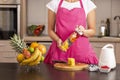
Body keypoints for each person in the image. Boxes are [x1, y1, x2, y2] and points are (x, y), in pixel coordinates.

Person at [44, 0, 98, 70]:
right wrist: (57, 39)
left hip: (81, 53)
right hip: (60, 52)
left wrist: (83, 31)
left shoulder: (87, 3)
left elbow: (92, 30)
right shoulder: (55, 3)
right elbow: (50, 30)